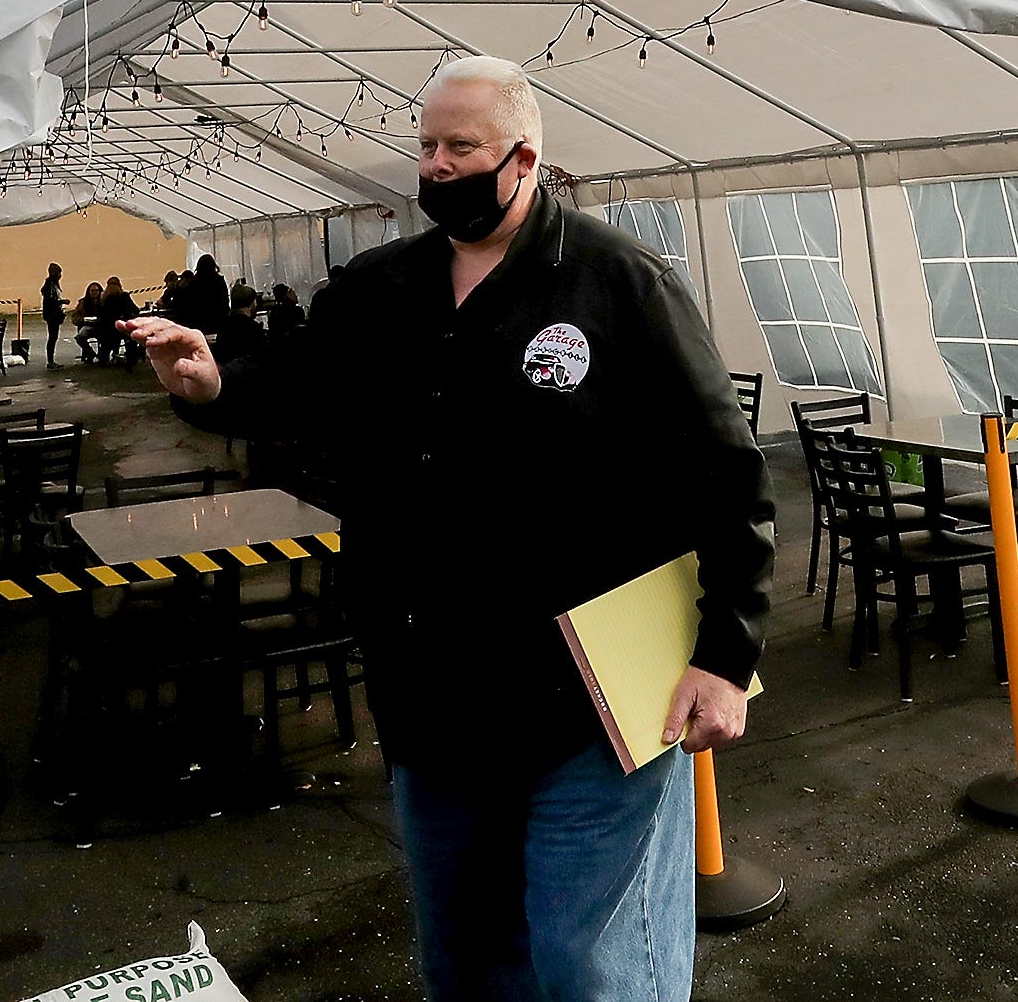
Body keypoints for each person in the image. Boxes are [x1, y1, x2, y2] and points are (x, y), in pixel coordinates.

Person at [126, 55, 770, 1002]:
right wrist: (213, 381)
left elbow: (726, 472)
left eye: (460, 147)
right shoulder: (382, 285)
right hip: (431, 701)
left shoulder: (618, 281)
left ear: (524, 158)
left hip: (584, 707)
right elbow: (302, 383)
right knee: (466, 963)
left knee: (595, 970)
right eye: (426, 145)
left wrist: (725, 652)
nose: (435, 165)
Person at [100, 277, 143, 366]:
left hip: (109, 329)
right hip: (124, 327)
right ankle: (131, 356)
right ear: (120, 285)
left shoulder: (104, 298)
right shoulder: (124, 296)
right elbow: (135, 310)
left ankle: (108, 356)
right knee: (131, 337)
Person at [186, 255, 230, 335]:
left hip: (198, 322)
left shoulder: (193, 282)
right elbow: (224, 302)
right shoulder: (219, 281)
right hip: (218, 321)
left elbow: (190, 303)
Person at [72, 281, 107, 364]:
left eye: (97, 290)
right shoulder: (83, 302)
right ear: (89, 291)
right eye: (92, 291)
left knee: (106, 337)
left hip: (101, 326)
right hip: (87, 325)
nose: (95, 293)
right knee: (79, 337)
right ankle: (90, 352)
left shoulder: (104, 302)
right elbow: (76, 315)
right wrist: (81, 320)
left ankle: (103, 355)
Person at [40, 264, 67, 367]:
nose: (60, 275)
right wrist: (62, 301)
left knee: (53, 337)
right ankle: (50, 361)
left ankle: (51, 361)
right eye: (59, 273)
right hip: (52, 315)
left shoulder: (51, 284)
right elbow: (51, 301)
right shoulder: (51, 285)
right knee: (52, 338)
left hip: (51, 315)